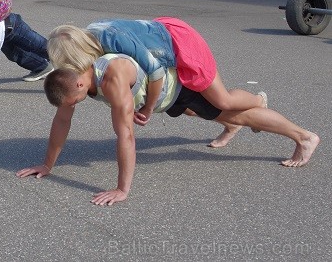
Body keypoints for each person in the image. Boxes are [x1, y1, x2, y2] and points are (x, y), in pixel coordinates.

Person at [16, 30, 320, 207]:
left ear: (82, 85)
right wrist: (47, 164)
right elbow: (62, 121)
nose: (74, 106)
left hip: (180, 84)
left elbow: (126, 135)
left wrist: (123, 189)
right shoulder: (71, 77)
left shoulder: (112, 80)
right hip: (164, 96)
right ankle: (230, 124)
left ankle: (302, 136)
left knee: (236, 112)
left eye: (76, 101)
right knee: (198, 111)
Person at [55, 18, 267, 144]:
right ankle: (231, 125)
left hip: (180, 42)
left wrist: (148, 109)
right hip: (162, 40)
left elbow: (155, 71)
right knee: (189, 108)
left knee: (223, 101)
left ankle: (258, 101)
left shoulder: (111, 39)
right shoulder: (89, 43)